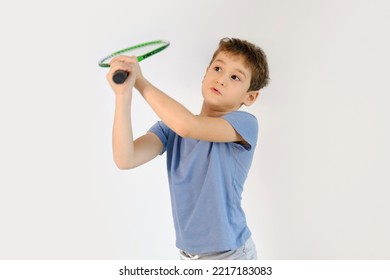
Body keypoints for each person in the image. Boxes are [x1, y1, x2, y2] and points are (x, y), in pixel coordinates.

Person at [106, 38, 269, 260]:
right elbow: (126, 158)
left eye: (235, 77)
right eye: (218, 68)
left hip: (231, 255)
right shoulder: (169, 129)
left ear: (250, 97)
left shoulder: (245, 125)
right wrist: (123, 95)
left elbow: (188, 126)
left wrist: (141, 82)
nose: (221, 79)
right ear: (205, 74)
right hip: (189, 256)